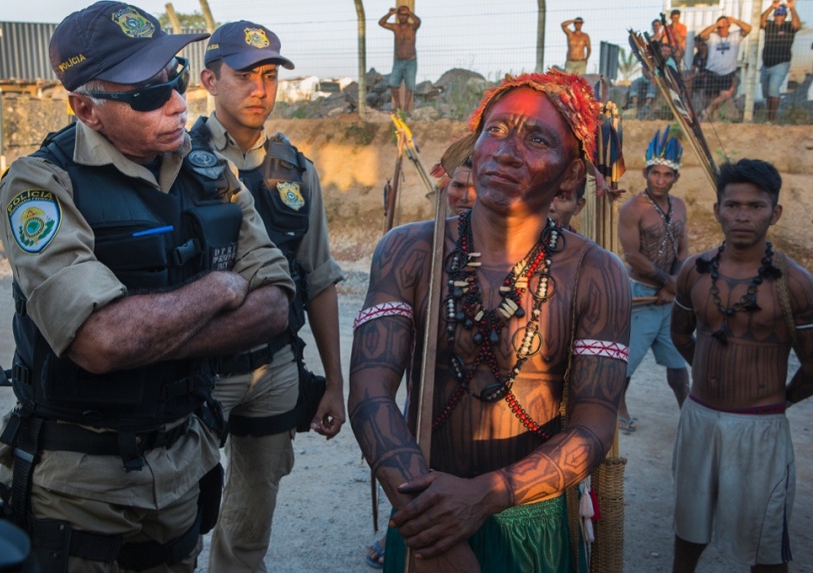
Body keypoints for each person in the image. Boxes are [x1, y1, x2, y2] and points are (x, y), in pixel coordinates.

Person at [0, 2, 294, 571]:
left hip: (182, 466)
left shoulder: (210, 173)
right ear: (87, 108)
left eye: (174, 78)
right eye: (148, 93)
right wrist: (218, 289)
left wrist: (147, 333)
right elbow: (101, 342)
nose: (178, 103)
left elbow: (275, 304)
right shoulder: (41, 184)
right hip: (81, 488)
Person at [348, 70, 631, 572]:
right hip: (421, 510)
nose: (506, 152)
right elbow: (370, 391)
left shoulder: (596, 272)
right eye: (495, 130)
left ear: (570, 175)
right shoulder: (410, 250)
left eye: (537, 139)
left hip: (531, 525)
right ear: (474, 150)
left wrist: (484, 496)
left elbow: (593, 427)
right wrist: (434, 527)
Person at [195, 20, 346, 571]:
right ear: (210, 80)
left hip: (276, 367)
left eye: (269, 75)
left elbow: (319, 277)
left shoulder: (296, 170)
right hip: (196, 370)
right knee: (173, 515)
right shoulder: (173, 162)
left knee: (249, 523)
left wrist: (335, 384)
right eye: (244, 75)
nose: (260, 89)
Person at [670, 158, 813, 572]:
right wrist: (709, 375)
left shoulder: (794, 283)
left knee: (764, 547)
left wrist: (780, 400)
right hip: (698, 419)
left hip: (760, 429)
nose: (743, 216)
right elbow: (681, 334)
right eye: (733, 205)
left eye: (755, 206)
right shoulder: (694, 271)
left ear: (775, 212)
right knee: (687, 532)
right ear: (718, 210)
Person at [364, 151, 477, 570]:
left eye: (475, 187)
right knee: (411, 451)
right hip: (429, 389)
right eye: (458, 186)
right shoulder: (420, 247)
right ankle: (404, 524)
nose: (465, 196)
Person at [617, 128, 690, 432]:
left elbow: (684, 249)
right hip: (641, 294)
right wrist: (668, 283)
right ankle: (619, 409)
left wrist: (674, 284)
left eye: (667, 174)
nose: (660, 180)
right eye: (655, 173)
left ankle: (688, 411)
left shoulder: (680, 206)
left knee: (677, 362)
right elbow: (632, 255)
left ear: (675, 177)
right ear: (645, 173)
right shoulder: (632, 208)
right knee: (628, 360)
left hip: (668, 298)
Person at [695, 15, 752, 121]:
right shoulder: (713, 37)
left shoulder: (735, 36)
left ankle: (706, 112)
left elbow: (748, 29)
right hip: (712, 72)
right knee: (711, 97)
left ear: (728, 27)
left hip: (728, 73)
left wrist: (735, 21)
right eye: (719, 27)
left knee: (725, 96)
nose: (721, 29)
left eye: (723, 27)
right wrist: (716, 24)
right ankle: (713, 120)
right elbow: (702, 35)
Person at [760, 0, 802, 123]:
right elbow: (761, 21)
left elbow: (797, 25)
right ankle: (769, 117)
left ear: (785, 16)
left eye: (781, 15)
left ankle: (772, 119)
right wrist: (771, 7)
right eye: (777, 14)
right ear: (774, 15)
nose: (779, 17)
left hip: (781, 64)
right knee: (766, 92)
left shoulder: (789, 26)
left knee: (773, 89)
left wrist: (792, 8)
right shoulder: (769, 25)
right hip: (766, 64)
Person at [379, 5, 421, 112]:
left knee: (409, 85)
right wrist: (389, 14)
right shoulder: (396, 27)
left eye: (405, 15)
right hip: (398, 61)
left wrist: (410, 12)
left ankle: (405, 109)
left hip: (411, 60)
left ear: (408, 16)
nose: (403, 17)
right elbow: (381, 23)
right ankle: (397, 105)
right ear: (398, 16)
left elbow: (418, 22)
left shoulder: (412, 27)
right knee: (393, 83)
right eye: (401, 15)